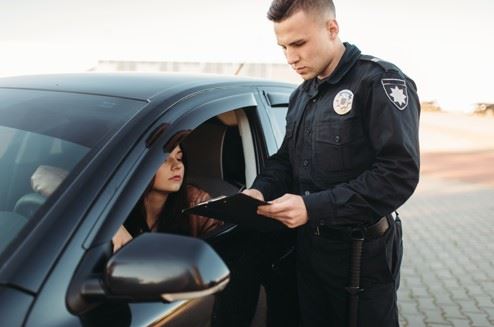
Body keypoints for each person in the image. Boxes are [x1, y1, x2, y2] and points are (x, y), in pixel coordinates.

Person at [243, 0, 420, 326]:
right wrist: (258, 191)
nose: (290, 57)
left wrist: (314, 208)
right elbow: (285, 160)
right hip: (309, 251)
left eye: (298, 43)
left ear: (332, 29)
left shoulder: (378, 82)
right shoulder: (301, 96)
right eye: (283, 47)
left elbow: (399, 173)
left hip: (361, 258)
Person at [112, 145, 222, 251]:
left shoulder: (197, 202)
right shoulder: (116, 205)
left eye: (179, 158)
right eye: (163, 160)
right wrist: (115, 228)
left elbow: (219, 253)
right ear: (140, 166)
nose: (177, 165)